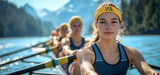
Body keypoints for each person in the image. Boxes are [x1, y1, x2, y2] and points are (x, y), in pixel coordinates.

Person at [77, 2, 160, 75]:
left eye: (113, 22)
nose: (108, 27)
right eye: (103, 22)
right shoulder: (85, 53)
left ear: (119, 25)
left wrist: (154, 73)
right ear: (96, 25)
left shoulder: (132, 53)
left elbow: (148, 71)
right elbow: (88, 71)